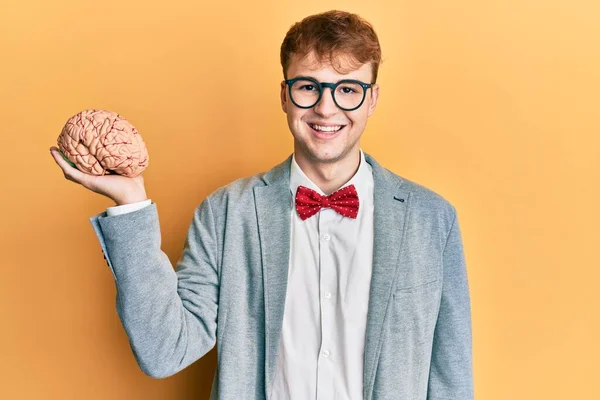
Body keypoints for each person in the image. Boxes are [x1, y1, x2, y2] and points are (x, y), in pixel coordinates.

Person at [50, 10, 473, 400]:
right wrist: (130, 202)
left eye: (348, 89)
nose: (327, 108)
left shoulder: (431, 219)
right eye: (308, 86)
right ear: (285, 95)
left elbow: (451, 380)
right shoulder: (225, 213)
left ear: (372, 99)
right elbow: (164, 350)